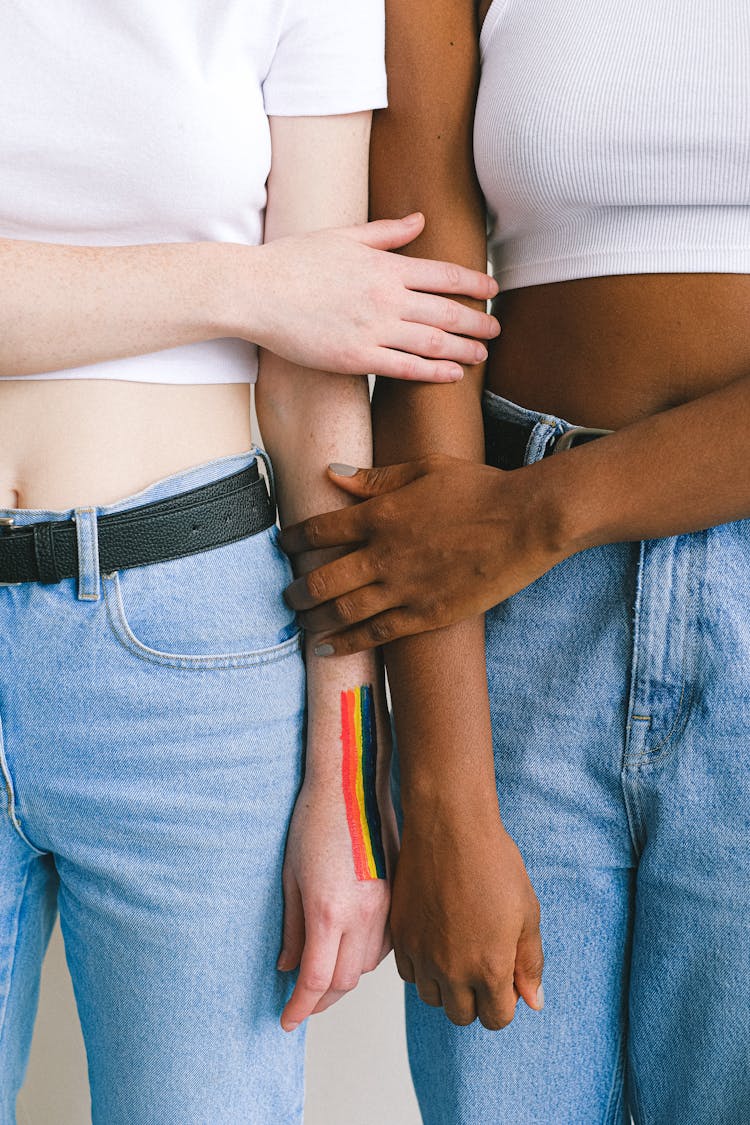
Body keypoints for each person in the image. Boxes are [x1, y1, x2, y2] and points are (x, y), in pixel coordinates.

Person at [0, 3, 500, 1122]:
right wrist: (244, 286)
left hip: (194, 658)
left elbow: (318, 379)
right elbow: (296, 302)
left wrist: (349, 785)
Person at [281, 1, 750, 1121]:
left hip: (505, 540)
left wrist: (543, 516)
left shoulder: (522, 526)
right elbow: (419, 311)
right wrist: (443, 790)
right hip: (499, 622)